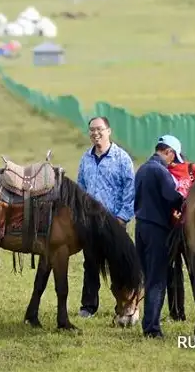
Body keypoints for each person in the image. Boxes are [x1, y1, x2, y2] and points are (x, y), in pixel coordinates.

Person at [76, 116, 136, 318]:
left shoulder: (122, 158)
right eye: (92, 130)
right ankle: (88, 306)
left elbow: (130, 190)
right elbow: (81, 189)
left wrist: (122, 218)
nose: (95, 133)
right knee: (90, 264)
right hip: (90, 222)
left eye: (99, 129)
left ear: (108, 131)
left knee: (117, 265)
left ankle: (123, 305)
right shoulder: (86, 158)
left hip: (114, 222)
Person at [134, 135, 187, 338]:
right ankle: (152, 329)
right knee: (157, 280)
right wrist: (185, 203)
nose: (173, 162)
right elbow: (173, 197)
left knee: (148, 277)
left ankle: (148, 322)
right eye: (173, 158)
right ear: (169, 152)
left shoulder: (142, 169)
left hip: (140, 228)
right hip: (157, 230)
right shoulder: (161, 171)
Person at [166, 153, 195, 321]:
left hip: (190, 230)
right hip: (169, 229)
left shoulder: (192, 169)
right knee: (172, 273)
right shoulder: (163, 171)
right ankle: (176, 313)